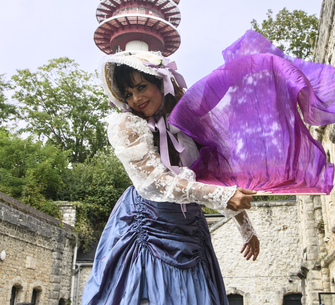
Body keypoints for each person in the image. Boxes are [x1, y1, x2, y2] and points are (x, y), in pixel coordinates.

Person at [81, 50, 260, 305]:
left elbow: (214, 179)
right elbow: (157, 183)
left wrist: (246, 228)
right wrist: (223, 195)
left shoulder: (189, 121)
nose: (136, 99)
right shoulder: (127, 126)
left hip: (191, 229)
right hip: (146, 221)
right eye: (128, 94)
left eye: (141, 86)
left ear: (161, 82)